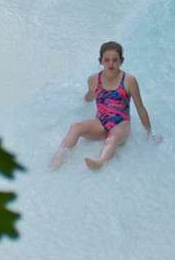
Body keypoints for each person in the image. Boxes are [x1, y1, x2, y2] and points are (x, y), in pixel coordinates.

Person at [50, 41, 158, 171]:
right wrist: (82, 102)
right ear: (100, 61)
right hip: (100, 123)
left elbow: (140, 108)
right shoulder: (93, 79)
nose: (111, 63)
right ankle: (58, 159)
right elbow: (89, 97)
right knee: (76, 127)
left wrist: (150, 133)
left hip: (121, 124)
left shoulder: (129, 80)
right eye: (106, 60)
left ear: (121, 61)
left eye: (115, 60)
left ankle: (100, 162)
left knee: (112, 139)